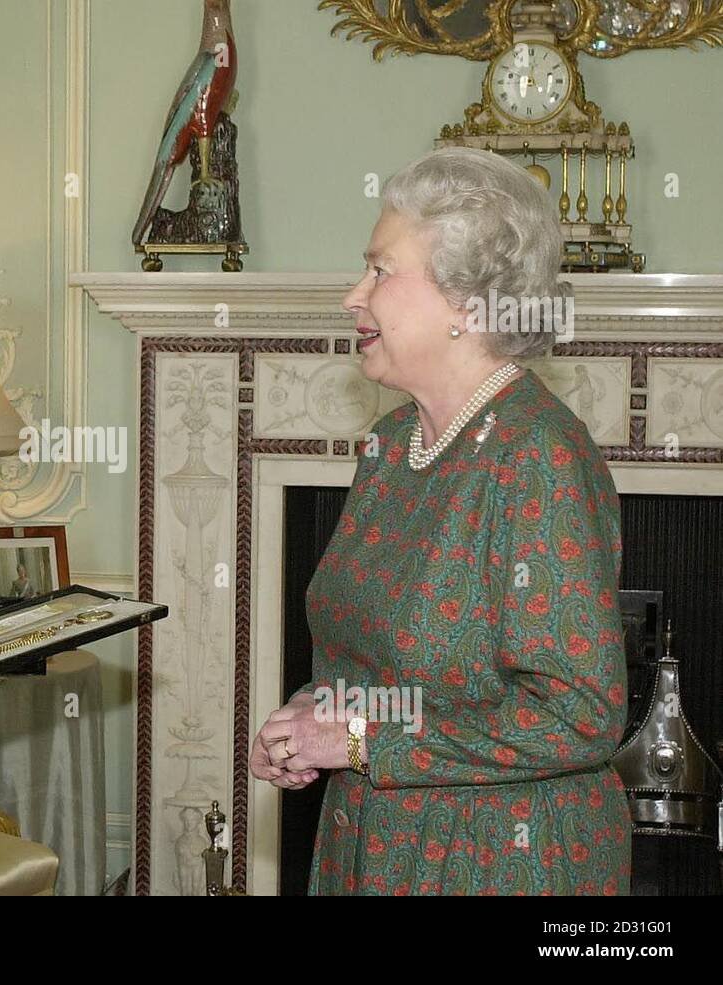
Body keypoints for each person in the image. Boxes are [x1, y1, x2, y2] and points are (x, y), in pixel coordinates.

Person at [250, 147, 632, 895]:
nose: (352, 296)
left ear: (467, 302)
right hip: (373, 838)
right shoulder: (394, 444)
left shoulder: (538, 454)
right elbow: (387, 662)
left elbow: (583, 714)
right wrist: (313, 717)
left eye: (380, 271)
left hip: (499, 859)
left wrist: (357, 738)